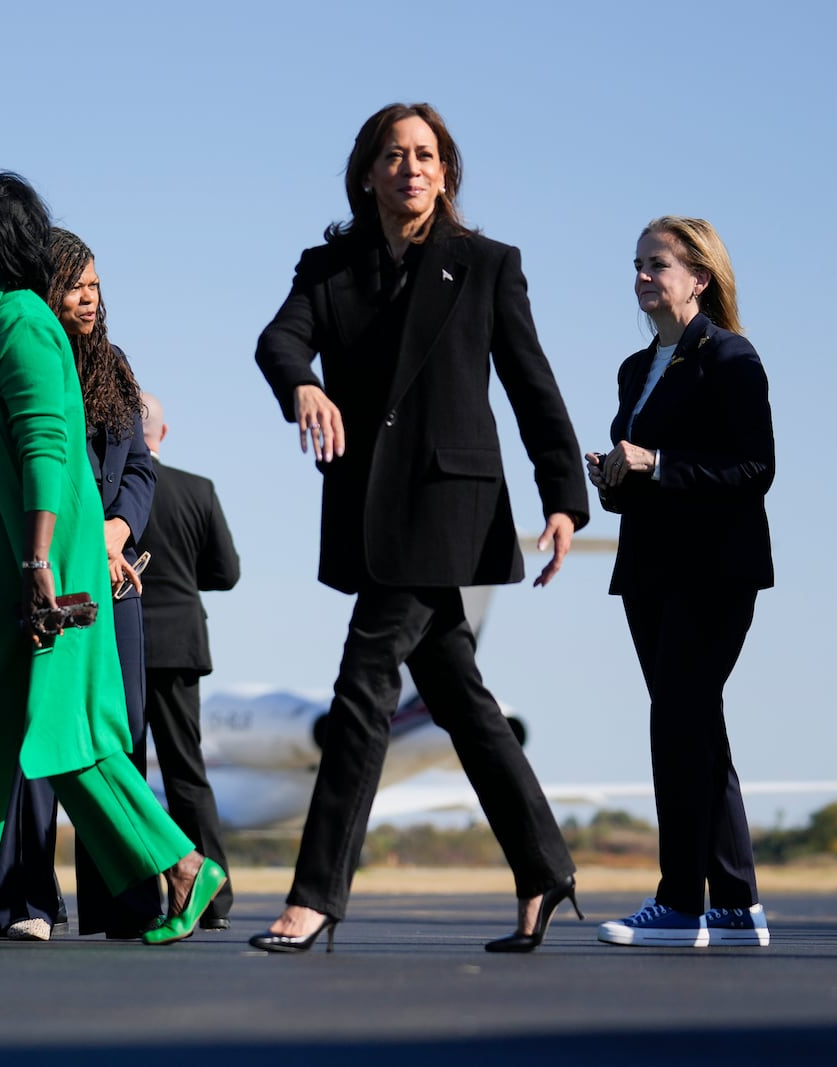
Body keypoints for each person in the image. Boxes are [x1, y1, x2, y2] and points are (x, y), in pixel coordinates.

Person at [251, 103, 588, 954]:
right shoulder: (327, 268)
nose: (412, 167)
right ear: (367, 172)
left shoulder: (486, 266)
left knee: (365, 682)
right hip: (369, 507)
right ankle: (545, 865)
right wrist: (303, 385)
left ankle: (316, 892)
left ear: (446, 173)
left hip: (449, 506)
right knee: (459, 700)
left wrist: (562, 495)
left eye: (427, 154)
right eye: (395, 155)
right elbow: (278, 339)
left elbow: (531, 386)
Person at [0, 171, 223, 945]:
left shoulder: (19, 319)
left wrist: (38, 560)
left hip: (27, 545)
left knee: (44, 723)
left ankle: (169, 867)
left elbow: (46, 444)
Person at [589, 216, 775, 949]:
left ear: (699, 276)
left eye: (656, 264)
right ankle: (735, 904)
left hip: (715, 570)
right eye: (636, 264)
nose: (641, 276)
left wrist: (656, 464)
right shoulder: (636, 370)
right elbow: (636, 477)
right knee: (698, 725)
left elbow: (754, 469)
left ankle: (680, 902)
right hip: (648, 570)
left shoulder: (731, 358)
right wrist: (612, 475)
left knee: (677, 722)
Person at [0, 227, 164, 942]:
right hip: (53, 572)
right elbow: (40, 467)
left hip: (113, 582)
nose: (87, 299)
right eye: (73, 286)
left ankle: (122, 901)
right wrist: (82, 543)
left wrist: (118, 530)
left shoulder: (114, 366)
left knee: (116, 736)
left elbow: (142, 469)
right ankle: (23, 901)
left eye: (93, 284)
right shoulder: (25, 357)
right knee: (39, 737)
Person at [135, 391, 240, 928]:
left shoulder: (115, 492)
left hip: (123, 646)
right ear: (164, 432)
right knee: (187, 774)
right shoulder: (198, 490)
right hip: (181, 645)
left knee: (127, 774)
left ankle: (136, 901)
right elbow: (227, 573)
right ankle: (215, 902)